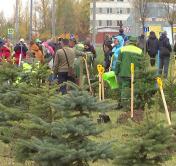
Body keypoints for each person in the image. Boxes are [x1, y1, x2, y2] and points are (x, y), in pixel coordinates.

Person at [115, 36, 143, 107]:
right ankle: (134, 104)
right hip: (135, 74)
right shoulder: (139, 51)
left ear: (129, 41)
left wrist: (116, 72)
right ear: (136, 42)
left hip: (124, 73)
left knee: (124, 88)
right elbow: (141, 64)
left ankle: (124, 104)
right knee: (135, 88)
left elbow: (118, 62)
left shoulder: (122, 49)